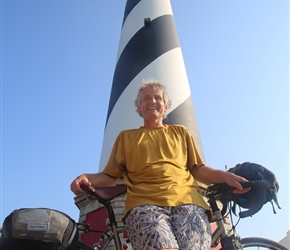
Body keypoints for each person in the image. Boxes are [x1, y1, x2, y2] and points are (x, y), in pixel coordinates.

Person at [70, 79, 249, 250]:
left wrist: (226, 176)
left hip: (188, 202)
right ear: (139, 107)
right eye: (146, 98)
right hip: (144, 205)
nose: (152, 101)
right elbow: (110, 177)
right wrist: (86, 178)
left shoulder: (181, 132)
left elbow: (198, 169)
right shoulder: (125, 137)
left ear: (166, 106)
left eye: (158, 97)